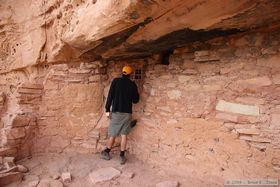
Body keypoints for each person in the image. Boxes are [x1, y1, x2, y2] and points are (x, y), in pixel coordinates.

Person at [101, 65, 139, 165]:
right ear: (130, 74)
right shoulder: (132, 84)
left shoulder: (115, 81)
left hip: (116, 112)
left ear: (122, 72)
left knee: (113, 134)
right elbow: (136, 100)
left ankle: (107, 152)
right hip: (127, 113)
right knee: (124, 135)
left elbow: (110, 96)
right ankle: (122, 156)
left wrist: (107, 110)